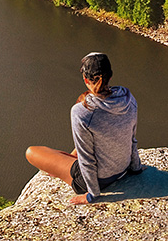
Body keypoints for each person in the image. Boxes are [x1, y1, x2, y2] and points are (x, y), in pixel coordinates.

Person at [25, 52, 143, 205]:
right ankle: (64, 164)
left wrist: (92, 195)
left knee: (32, 152)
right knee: (73, 151)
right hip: (123, 168)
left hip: (97, 180)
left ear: (86, 80)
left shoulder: (82, 111)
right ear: (110, 76)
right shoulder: (128, 98)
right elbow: (132, 139)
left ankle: (62, 167)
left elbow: (87, 159)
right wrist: (136, 168)